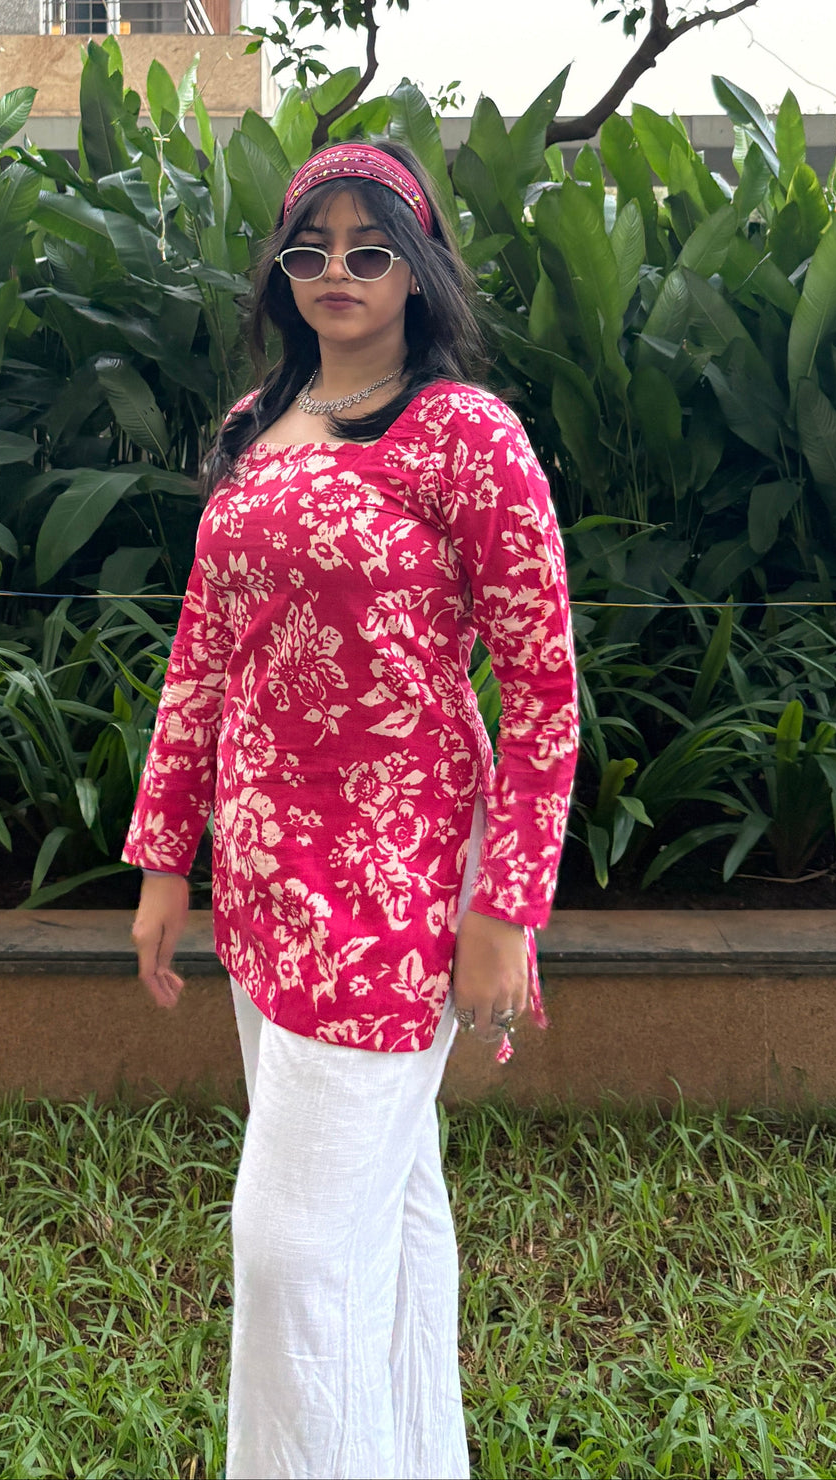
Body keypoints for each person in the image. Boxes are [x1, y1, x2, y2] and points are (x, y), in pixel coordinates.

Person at [123, 140, 579, 1480]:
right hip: (266, 877)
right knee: (389, 1213)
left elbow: (545, 686)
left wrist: (506, 909)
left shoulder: (467, 437)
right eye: (307, 247)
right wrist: (166, 856)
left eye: (368, 248)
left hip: (395, 884)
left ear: (418, 271)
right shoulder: (251, 427)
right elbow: (203, 650)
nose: (335, 272)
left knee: (292, 1249)